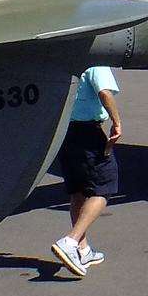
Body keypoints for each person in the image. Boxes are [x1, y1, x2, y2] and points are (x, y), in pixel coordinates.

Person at [51, 66, 123, 277]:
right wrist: (117, 122)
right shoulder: (97, 62)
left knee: (78, 191)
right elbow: (104, 92)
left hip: (64, 132)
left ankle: (83, 250)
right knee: (104, 187)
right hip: (88, 133)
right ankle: (70, 241)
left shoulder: (70, 59)